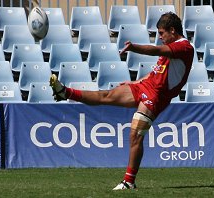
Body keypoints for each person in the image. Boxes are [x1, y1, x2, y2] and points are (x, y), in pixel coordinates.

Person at [49, 12, 194, 190]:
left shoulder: (184, 47)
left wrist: (134, 47)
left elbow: (155, 50)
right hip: (145, 87)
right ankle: (65, 93)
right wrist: (136, 82)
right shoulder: (171, 47)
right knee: (106, 95)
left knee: (135, 136)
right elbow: (156, 72)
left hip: (156, 97)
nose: (160, 37)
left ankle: (129, 182)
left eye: (162, 33)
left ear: (172, 30)